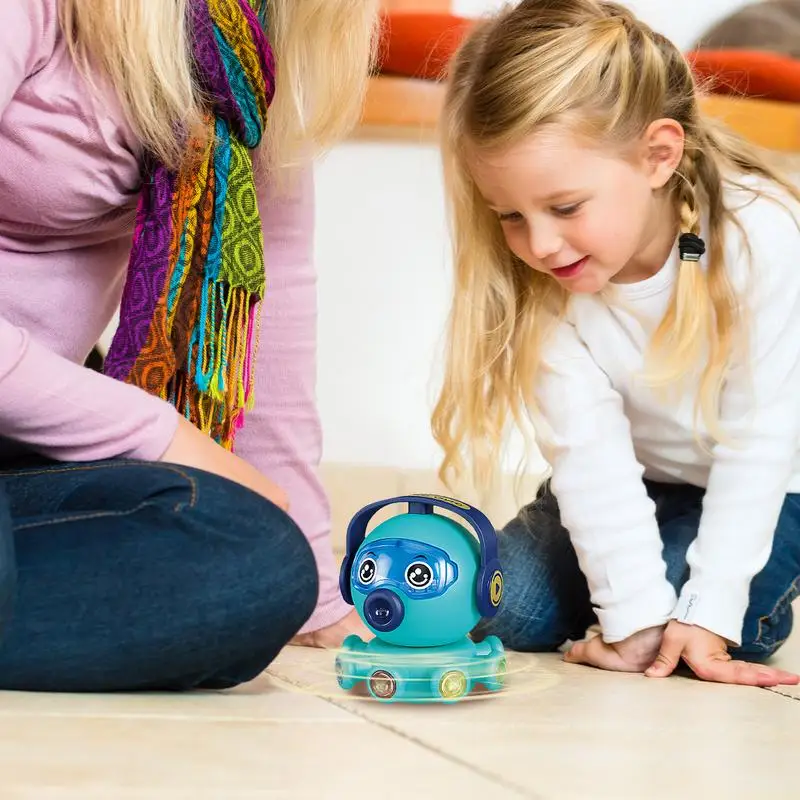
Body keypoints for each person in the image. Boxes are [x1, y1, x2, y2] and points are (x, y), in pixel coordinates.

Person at [0, 0, 377, 692]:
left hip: (23, 439)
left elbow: (273, 284)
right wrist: (160, 431)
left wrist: (321, 594)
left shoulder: (249, 39)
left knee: (260, 563)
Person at [431, 0, 800, 688]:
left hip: (775, 489)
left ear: (658, 155)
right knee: (506, 606)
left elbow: (760, 441)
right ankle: (647, 596)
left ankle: (700, 598)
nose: (539, 244)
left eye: (565, 207)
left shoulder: (766, 236)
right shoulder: (542, 282)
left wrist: (708, 610)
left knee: (719, 632)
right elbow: (588, 454)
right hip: (641, 480)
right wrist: (632, 622)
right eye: (511, 215)